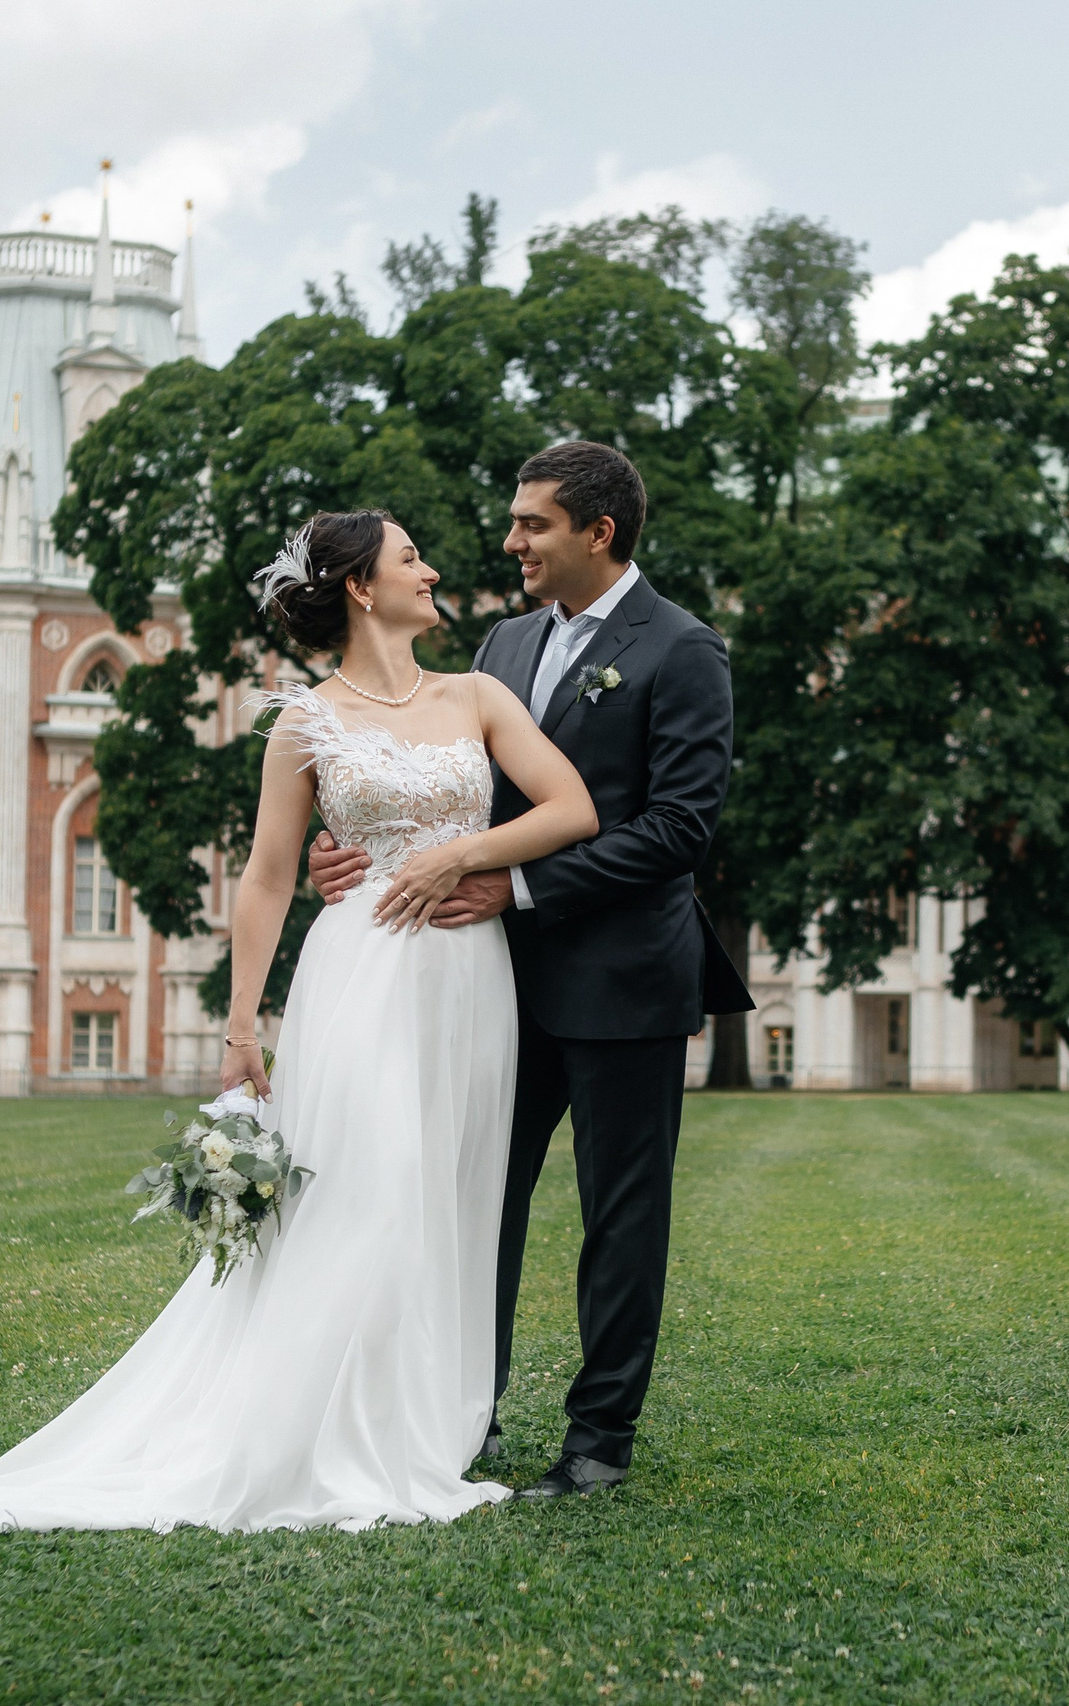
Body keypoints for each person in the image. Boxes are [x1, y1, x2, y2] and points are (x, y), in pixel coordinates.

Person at [0, 509, 598, 1539]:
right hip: (362, 976)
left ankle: (426, 1420)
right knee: (370, 1193)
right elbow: (265, 876)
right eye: (409, 557)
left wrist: (460, 857)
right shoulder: (305, 722)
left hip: (471, 978)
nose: (432, 570)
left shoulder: (476, 694)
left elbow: (571, 808)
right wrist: (242, 1027)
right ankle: (331, 1429)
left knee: (448, 1194)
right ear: (360, 589)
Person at [310, 441, 754, 1500]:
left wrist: (516, 888)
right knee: (472, 1201)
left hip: (623, 977)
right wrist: (351, 850)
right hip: (486, 983)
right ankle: (462, 1411)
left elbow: (678, 828)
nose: (509, 541)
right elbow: (465, 793)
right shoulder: (502, 644)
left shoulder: (684, 648)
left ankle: (599, 1438)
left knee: (620, 1213)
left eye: (531, 524)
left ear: (597, 533)